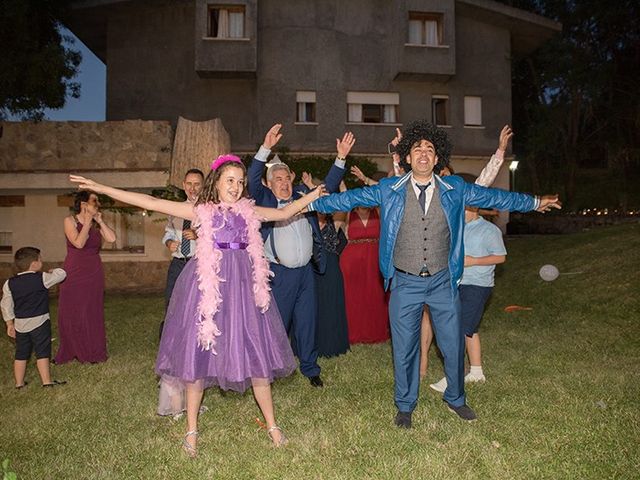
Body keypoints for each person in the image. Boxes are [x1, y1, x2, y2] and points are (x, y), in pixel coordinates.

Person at [306, 119, 561, 427]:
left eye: (429, 148)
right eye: (417, 148)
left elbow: (497, 198)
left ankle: (456, 399)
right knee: (404, 348)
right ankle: (405, 405)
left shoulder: (455, 189)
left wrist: (534, 201)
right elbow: (349, 199)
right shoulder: (390, 189)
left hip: (442, 281)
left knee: (452, 344)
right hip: (404, 282)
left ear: (437, 157)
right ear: (407, 157)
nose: (424, 153)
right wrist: (309, 203)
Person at [69, 156, 326, 455]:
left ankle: (272, 425)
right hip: (209, 287)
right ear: (215, 182)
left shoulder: (249, 211)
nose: (235, 186)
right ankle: (191, 429)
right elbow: (149, 202)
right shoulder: (201, 211)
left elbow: (290, 210)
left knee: (256, 353)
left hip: (244, 289)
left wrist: (314, 193)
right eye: (229, 180)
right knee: (199, 357)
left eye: (240, 181)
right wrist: (102, 187)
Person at [248, 124, 355, 387]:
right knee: (278, 324)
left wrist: (340, 158)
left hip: (306, 273)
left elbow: (326, 187)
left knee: (307, 322)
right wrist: (266, 148)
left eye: (287, 179)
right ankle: (271, 369)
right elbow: (251, 178)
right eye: (278, 180)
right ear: (269, 184)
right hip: (279, 274)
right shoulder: (265, 201)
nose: (284, 183)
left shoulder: (301, 198)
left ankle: (310, 368)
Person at [430, 206, 506, 392]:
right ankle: (477, 372)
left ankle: (453, 376)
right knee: (469, 328)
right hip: (456, 283)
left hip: (478, 285)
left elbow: (500, 257)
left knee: (460, 329)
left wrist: (474, 261)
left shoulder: (490, 230)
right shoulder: (456, 228)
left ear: (472, 207)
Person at [55, 191, 116, 364]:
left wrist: (100, 221)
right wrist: (88, 222)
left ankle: (93, 350)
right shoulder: (69, 221)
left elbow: (112, 238)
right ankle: (72, 349)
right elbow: (79, 243)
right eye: (94, 201)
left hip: (93, 271)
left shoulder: (96, 223)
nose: (98, 204)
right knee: (72, 309)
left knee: (91, 309)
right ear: (83, 204)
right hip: (74, 271)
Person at [1, 247, 67, 388]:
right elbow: (62, 275)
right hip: (40, 322)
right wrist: (53, 271)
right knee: (42, 352)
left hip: (20, 324)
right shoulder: (42, 278)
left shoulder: (9, 283)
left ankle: (19, 384)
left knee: (21, 353)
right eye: (40, 259)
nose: (41, 261)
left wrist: (9, 324)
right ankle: (47, 382)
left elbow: (6, 305)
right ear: (34, 264)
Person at [160, 168, 204, 339]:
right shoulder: (175, 209)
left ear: (203, 186)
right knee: (172, 302)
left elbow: (217, 237)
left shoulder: (208, 210)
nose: (192, 188)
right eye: (189, 184)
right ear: (184, 186)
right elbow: (168, 233)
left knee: (197, 304)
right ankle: (170, 341)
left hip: (199, 265)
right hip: (178, 264)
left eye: (197, 184)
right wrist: (169, 242)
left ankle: (196, 341)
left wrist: (198, 235)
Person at [339, 205, 390, 343]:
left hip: (375, 260)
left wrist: (366, 181)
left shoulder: (379, 211)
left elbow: (383, 189)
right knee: (354, 296)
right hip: (352, 261)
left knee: (376, 295)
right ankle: (354, 331)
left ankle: (375, 331)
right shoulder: (348, 213)